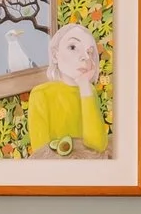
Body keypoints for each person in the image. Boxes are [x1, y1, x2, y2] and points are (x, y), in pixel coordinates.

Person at [23, 21, 107, 156]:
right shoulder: (41, 94)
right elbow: (41, 153)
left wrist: (84, 86)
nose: (85, 57)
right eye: (73, 47)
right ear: (55, 55)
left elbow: (98, 145)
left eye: (89, 52)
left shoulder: (89, 91)